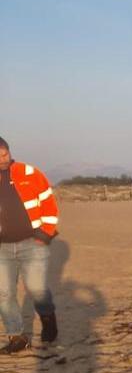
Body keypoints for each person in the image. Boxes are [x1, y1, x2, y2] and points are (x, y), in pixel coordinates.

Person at [0, 136, 60, 354]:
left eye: (4, 154)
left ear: (9, 151)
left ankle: (48, 318)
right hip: (2, 249)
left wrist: (45, 235)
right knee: (4, 294)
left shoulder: (29, 173)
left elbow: (48, 203)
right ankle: (17, 336)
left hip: (32, 243)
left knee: (36, 288)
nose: (2, 160)